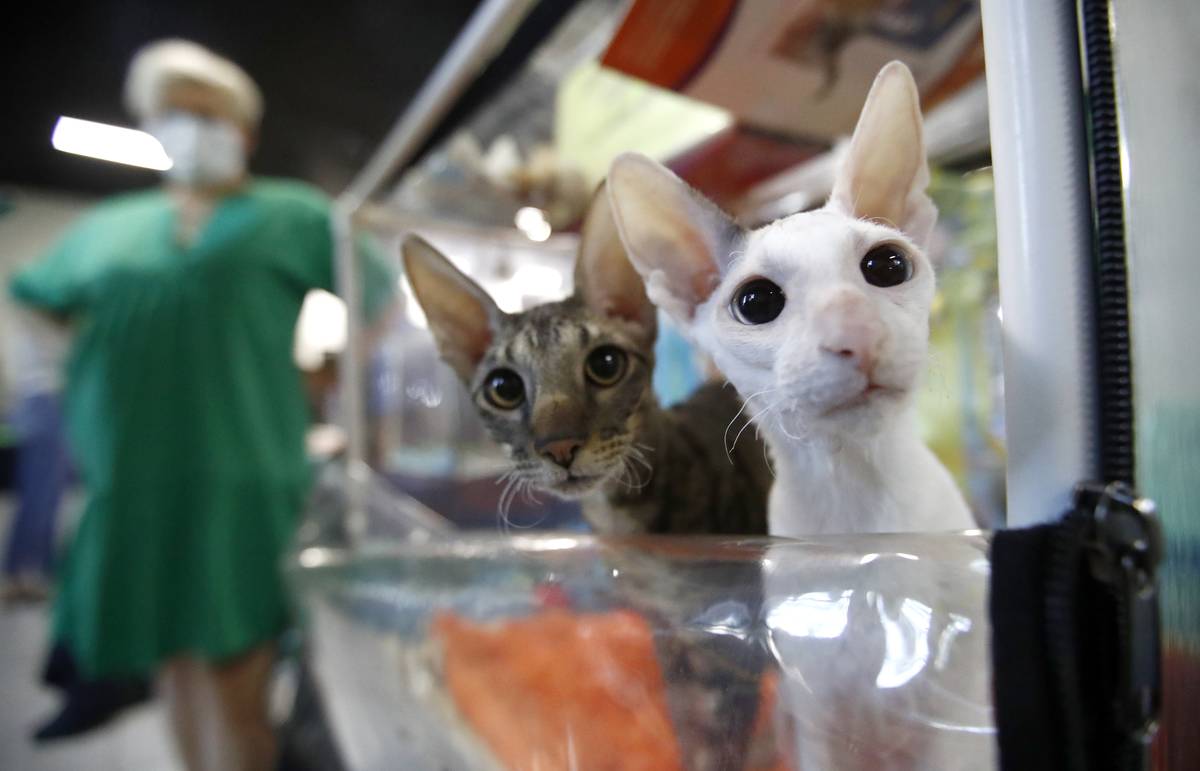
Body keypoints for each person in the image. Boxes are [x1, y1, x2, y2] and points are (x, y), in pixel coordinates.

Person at [8, 39, 392, 770]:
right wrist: (74, 378)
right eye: (174, 114)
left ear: (242, 131)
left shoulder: (291, 214)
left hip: (243, 481)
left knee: (233, 679)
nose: (191, 128)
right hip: (132, 487)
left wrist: (334, 378)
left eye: (206, 114)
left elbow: (379, 304)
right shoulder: (105, 230)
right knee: (172, 668)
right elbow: (35, 300)